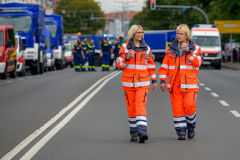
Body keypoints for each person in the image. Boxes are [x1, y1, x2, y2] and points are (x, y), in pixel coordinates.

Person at [159, 24, 203, 140]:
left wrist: (189, 52)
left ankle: (191, 126)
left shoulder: (196, 48)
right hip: (175, 83)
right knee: (177, 107)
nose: (179, 36)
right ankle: (181, 131)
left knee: (190, 105)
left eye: (181, 34)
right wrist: (163, 80)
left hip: (190, 83)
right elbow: (164, 66)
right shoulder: (171, 49)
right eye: (177, 33)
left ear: (187, 35)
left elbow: (197, 63)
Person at [116, 25, 157, 143]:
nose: (141, 34)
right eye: (138, 32)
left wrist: (154, 80)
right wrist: (127, 58)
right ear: (133, 34)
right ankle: (133, 132)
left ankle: (142, 131)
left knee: (140, 105)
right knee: (131, 107)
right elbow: (119, 64)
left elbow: (151, 66)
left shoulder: (146, 48)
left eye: (142, 32)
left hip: (143, 83)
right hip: (128, 83)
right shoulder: (124, 47)